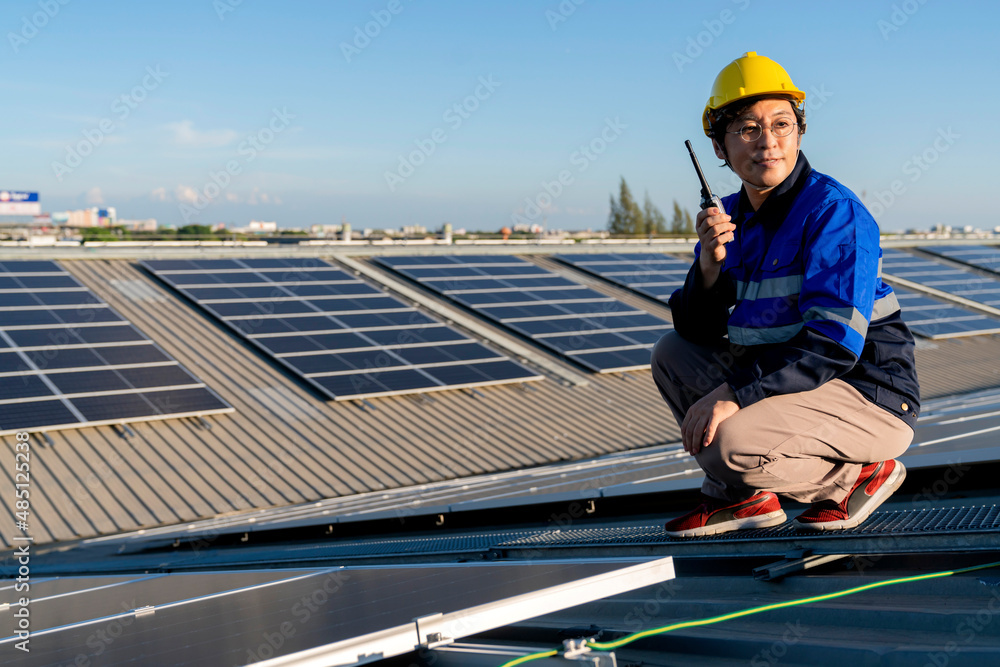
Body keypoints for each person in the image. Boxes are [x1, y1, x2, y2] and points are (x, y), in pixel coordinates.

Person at [652, 52, 920, 537]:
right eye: (748, 129)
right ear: (719, 146)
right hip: (795, 383)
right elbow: (696, 332)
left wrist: (733, 393)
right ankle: (744, 499)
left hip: (867, 392)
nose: (768, 142)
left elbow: (833, 344)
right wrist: (708, 270)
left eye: (781, 124)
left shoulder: (833, 212)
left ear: (799, 132)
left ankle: (856, 474)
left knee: (728, 442)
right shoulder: (731, 216)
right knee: (671, 353)